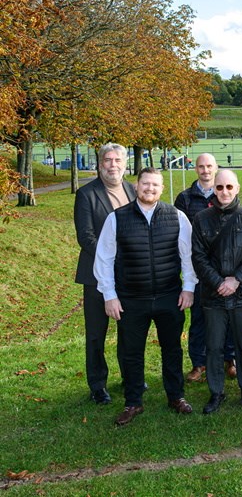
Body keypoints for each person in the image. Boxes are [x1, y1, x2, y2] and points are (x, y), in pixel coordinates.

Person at [94, 168, 197, 426]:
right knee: (131, 352)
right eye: (145, 184)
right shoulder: (116, 219)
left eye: (155, 185)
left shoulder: (177, 217)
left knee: (172, 348)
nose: (150, 189)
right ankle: (133, 402)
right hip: (131, 299)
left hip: (169, 297)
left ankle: (176, 396)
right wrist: (110, 295)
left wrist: (189, 288)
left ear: (161, 189)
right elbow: (104, 259)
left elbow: (188, 256)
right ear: (136, 186)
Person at [191, 170, 242, 414]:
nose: (224, 192)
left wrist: (236, 280)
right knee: (213, 346)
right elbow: (198, 257)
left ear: (237, 187)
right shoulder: (201, 218)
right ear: (213, 188)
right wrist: (218, 282)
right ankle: (216, 392)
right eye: (220, 187)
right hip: (213, 295)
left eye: (229, 187)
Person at [74, 143, 136, 405]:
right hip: (97, 275)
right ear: (100, 164)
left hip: (128, 275)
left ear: (124, 164)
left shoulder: (131, 189)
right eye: (108, 160)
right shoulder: (87, 194)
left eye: (117, 160)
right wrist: (111, 258)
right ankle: (98, 385)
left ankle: (129, 377)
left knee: (128, 329)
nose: (113, 165)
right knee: (97, 333)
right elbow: (85, 237)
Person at [174, 153, 235, 382]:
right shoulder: (186, 198)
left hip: (226, 270)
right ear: (195, 169)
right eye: (201, 166)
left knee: (228, 316)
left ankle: (230, 358)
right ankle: (198, 363)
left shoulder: (226, 194)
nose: (206, 170)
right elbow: (180, 236)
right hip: (199, 269)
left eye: (210, 166)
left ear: (216, 167)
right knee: (199, 318)